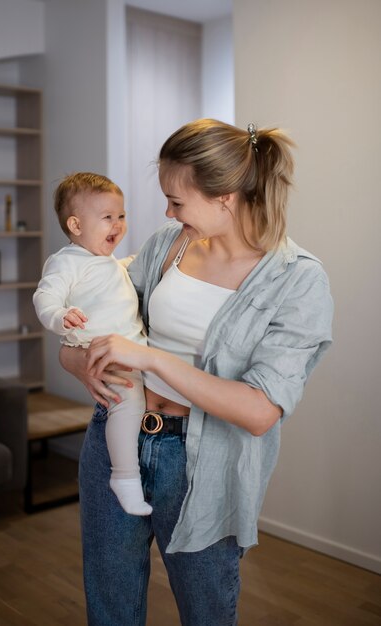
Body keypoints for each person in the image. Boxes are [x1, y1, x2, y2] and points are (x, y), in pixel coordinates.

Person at [60, 119, 333, 626]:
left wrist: (151, 359)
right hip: (114, 439)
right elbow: (95, 329)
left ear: (225, 197)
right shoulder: (170, 245)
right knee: (109, 606)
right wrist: (77, 361)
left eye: (177, 200)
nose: (167, 212)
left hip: (202, 464)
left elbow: (258, 412)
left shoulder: (297, 280)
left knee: (206, 611)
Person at [33, 172, 152, 516]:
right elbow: (45, 296)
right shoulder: (66, 261)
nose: (118, 224)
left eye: (121, 216)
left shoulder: (106, 262)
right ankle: (125, 477)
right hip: (103, 354)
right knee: (126, 403)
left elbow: (118, 276)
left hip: (132, 351)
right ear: (76, 225)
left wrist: (135, 261)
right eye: (107, 218)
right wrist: (60, 316)